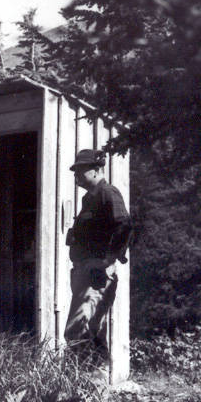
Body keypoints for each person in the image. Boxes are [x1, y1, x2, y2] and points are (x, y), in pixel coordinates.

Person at [64, 149, 132, 356]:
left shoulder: (107, 193)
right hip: (84, 272)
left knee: (77, 330)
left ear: (96, 170)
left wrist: (109, 259)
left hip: (96, 274)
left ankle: (85, 383)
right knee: (93, 330)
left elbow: (124, 225)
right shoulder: (89, 199)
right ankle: (96, 382)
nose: (76, 175)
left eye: (81, 170)